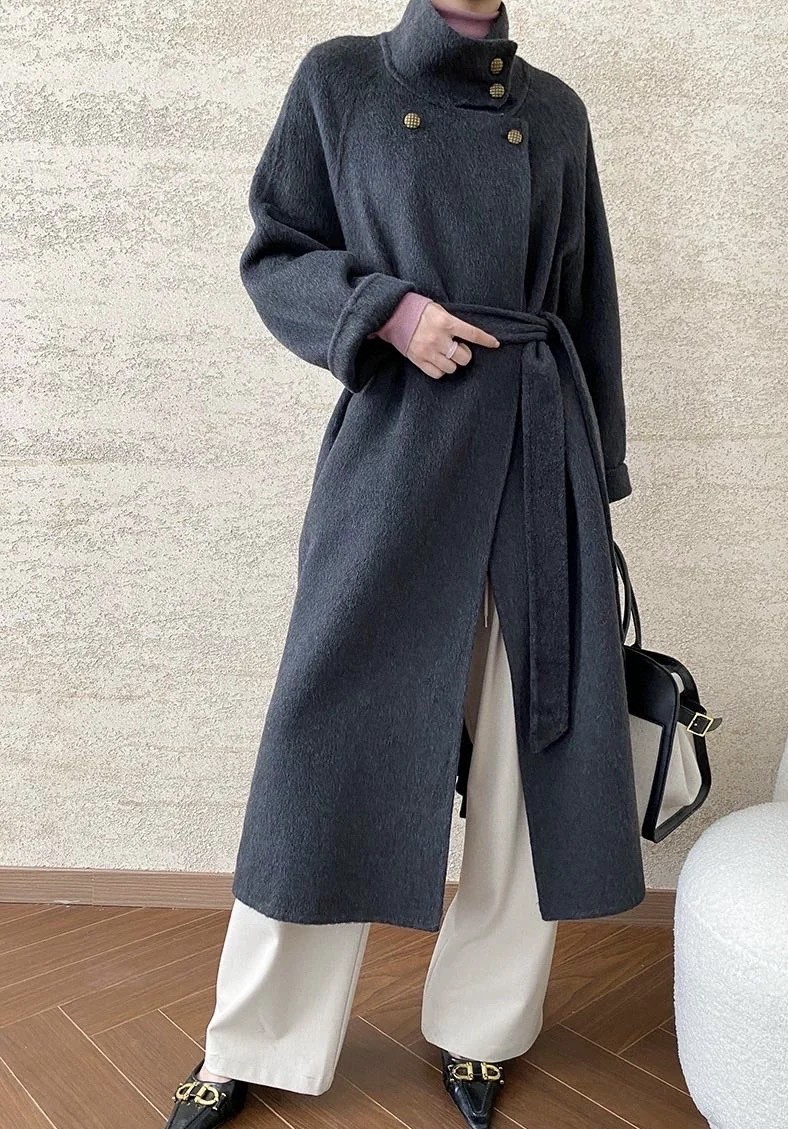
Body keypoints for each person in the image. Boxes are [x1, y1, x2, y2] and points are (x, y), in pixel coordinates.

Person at [164, 0, 646, 1126]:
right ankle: (253, 1035)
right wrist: (386, 314)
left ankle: (483, 1030)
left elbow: (589, 305)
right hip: (399, 448)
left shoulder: (555, 112)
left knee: (530, 751)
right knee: (325, 741)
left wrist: (598, 476)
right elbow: (277, 251)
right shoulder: (342, 81)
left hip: (538, 448)